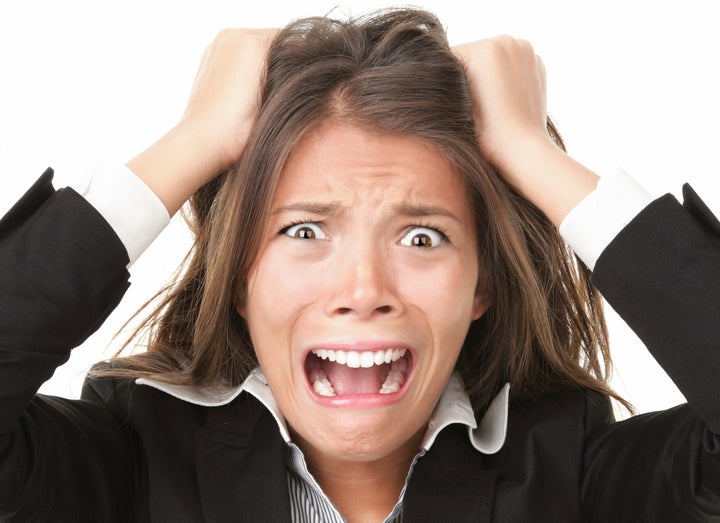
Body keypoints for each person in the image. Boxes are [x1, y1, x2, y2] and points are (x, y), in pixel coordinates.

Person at [0, 7, 718, 522]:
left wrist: (530, 154)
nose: (363, 290)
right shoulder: (134, 455)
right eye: (305, 229)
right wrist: (197, 138)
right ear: (239, 280)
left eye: (422, 238)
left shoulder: (576, 469)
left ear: (483, 284)